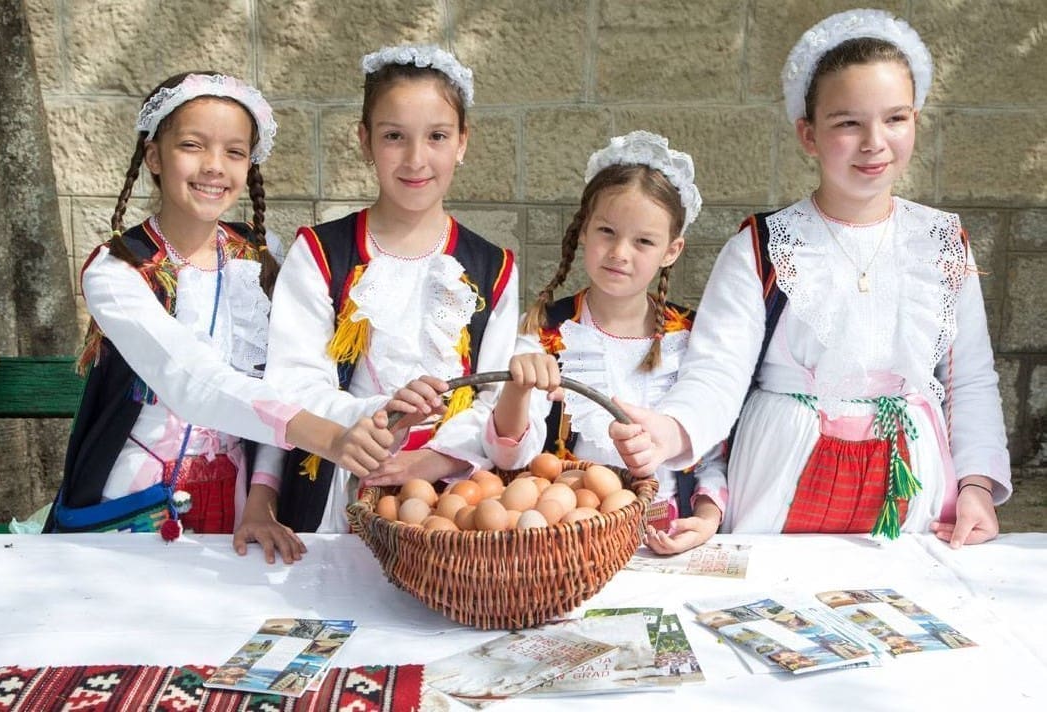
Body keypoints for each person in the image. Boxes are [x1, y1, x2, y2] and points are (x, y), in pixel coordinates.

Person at [611, 9, 1010, 547]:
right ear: (808, 134)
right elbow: (717, 373)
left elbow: (970, 381)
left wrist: (977, 485)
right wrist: (671, 429)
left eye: (895, 118)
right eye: (847, 123)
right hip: (782, 476)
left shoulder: (942, 243)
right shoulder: (760, 247)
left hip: (911, 484)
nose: (874, 142)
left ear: (916, 120)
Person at [46, 71, 409, 557]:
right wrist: (328, 437)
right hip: (130, 503)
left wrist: (262, 500)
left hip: (238, 502)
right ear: (154, 156)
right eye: (192, 145)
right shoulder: (118, 270)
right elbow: (189, 378)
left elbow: (278, 381)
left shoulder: (257, 258)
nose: (214, 166)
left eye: (235, 152)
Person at [264, 45, 519, 533]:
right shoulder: (321, 253)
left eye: (437, 136)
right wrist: (379, 415)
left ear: (462, 142)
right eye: (394, 136)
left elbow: (496, 398)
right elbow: (292, 384)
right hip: (343, 485)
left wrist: (433, 460)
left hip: (456, 501)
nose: (416, 159)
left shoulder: (493, 268)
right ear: (365, 141)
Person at [484, 131, 726, 554]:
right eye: (607, 232)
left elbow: (711, 453)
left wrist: (706, 519)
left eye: (643, 241)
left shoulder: (691, 338)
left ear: (672, 250)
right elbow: (509, 459)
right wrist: (517, 389)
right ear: (584, 229)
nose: (619, 252)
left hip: (667, 538)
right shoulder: (545, 331)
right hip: (569, 540)